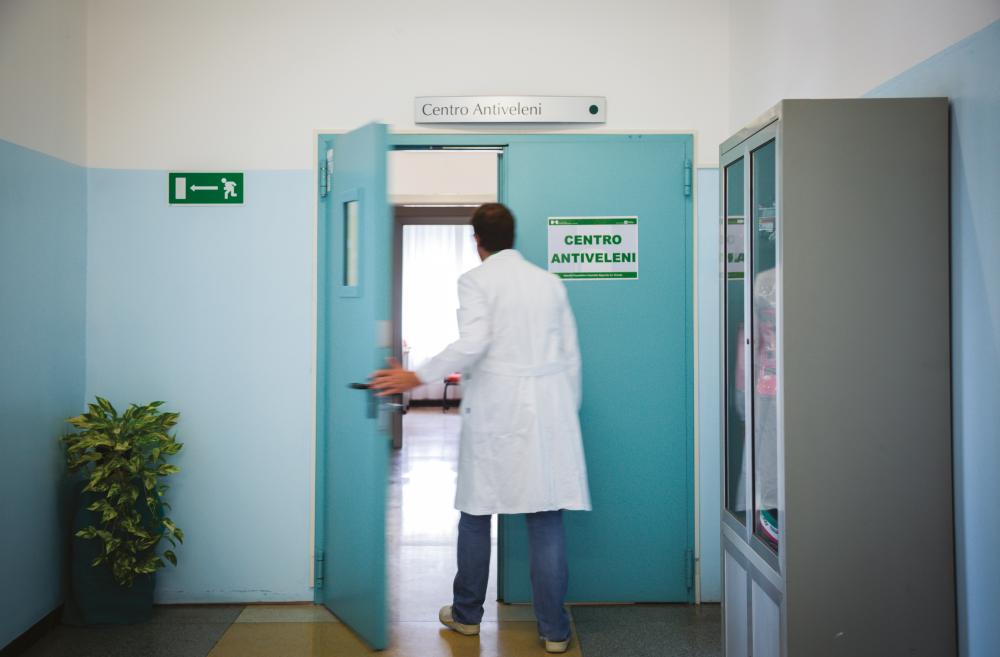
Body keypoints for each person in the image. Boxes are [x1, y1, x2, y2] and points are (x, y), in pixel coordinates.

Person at [370, 202, 591, 654]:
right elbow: (570, 356)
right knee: (546, 517)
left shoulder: (476, 280)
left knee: (475, 513)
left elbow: (472, 343)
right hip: (549, 413)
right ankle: (554, 631)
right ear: (513, 235)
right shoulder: (550, 283)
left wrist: (416, 376)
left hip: (496, 411)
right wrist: (563, 414)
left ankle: (467, 616)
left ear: (477, 241)